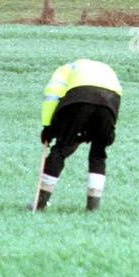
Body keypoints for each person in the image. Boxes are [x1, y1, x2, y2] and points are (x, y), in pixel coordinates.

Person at [34, 59, 122, 212]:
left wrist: (48, 127)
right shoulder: (107, 69)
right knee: (98, 154)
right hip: (110, 101)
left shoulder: (64, 69)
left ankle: (40, 203)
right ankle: (93, 208)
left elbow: (52, 97)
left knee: (60, 149)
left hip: (80, 97)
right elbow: (115, 99)